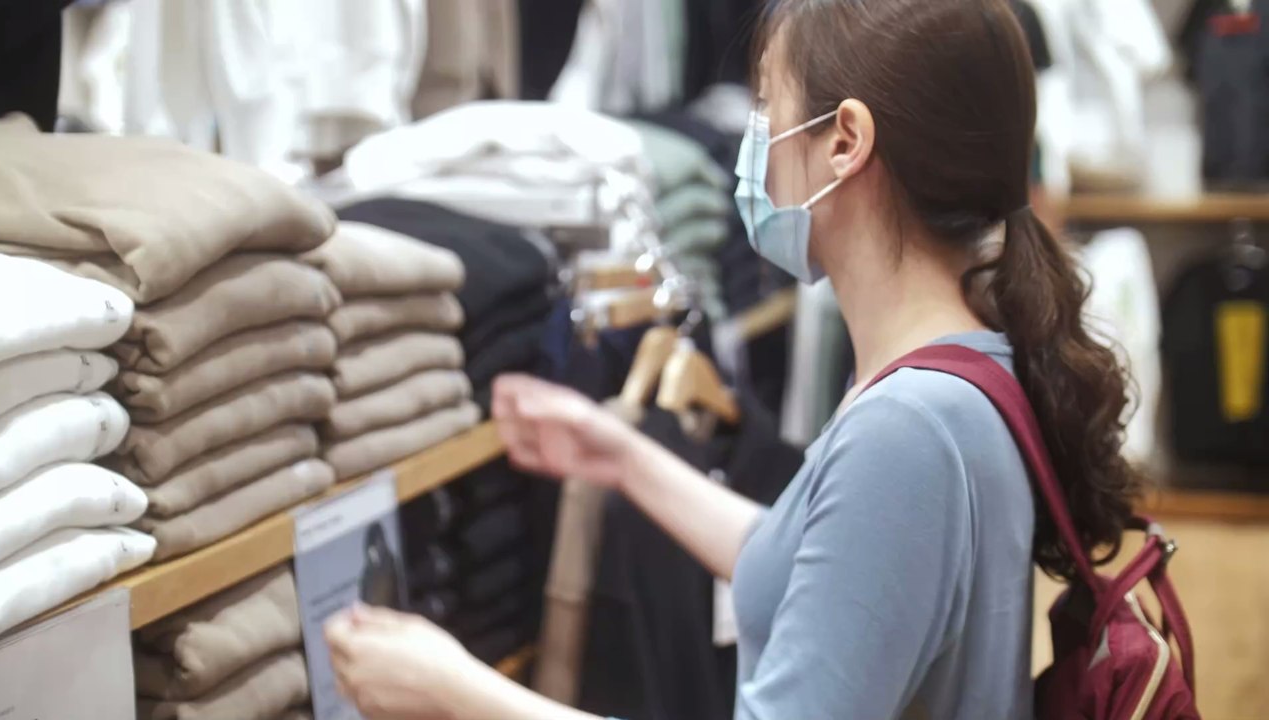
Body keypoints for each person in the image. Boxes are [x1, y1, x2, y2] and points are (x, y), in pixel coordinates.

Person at [324, 1, 1141, 718]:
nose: (754, 147)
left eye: (766, 108)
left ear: (846, 141)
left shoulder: (908, 431)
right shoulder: (952, 367)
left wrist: (454, 692)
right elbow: (808, 564)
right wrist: (619, 456)